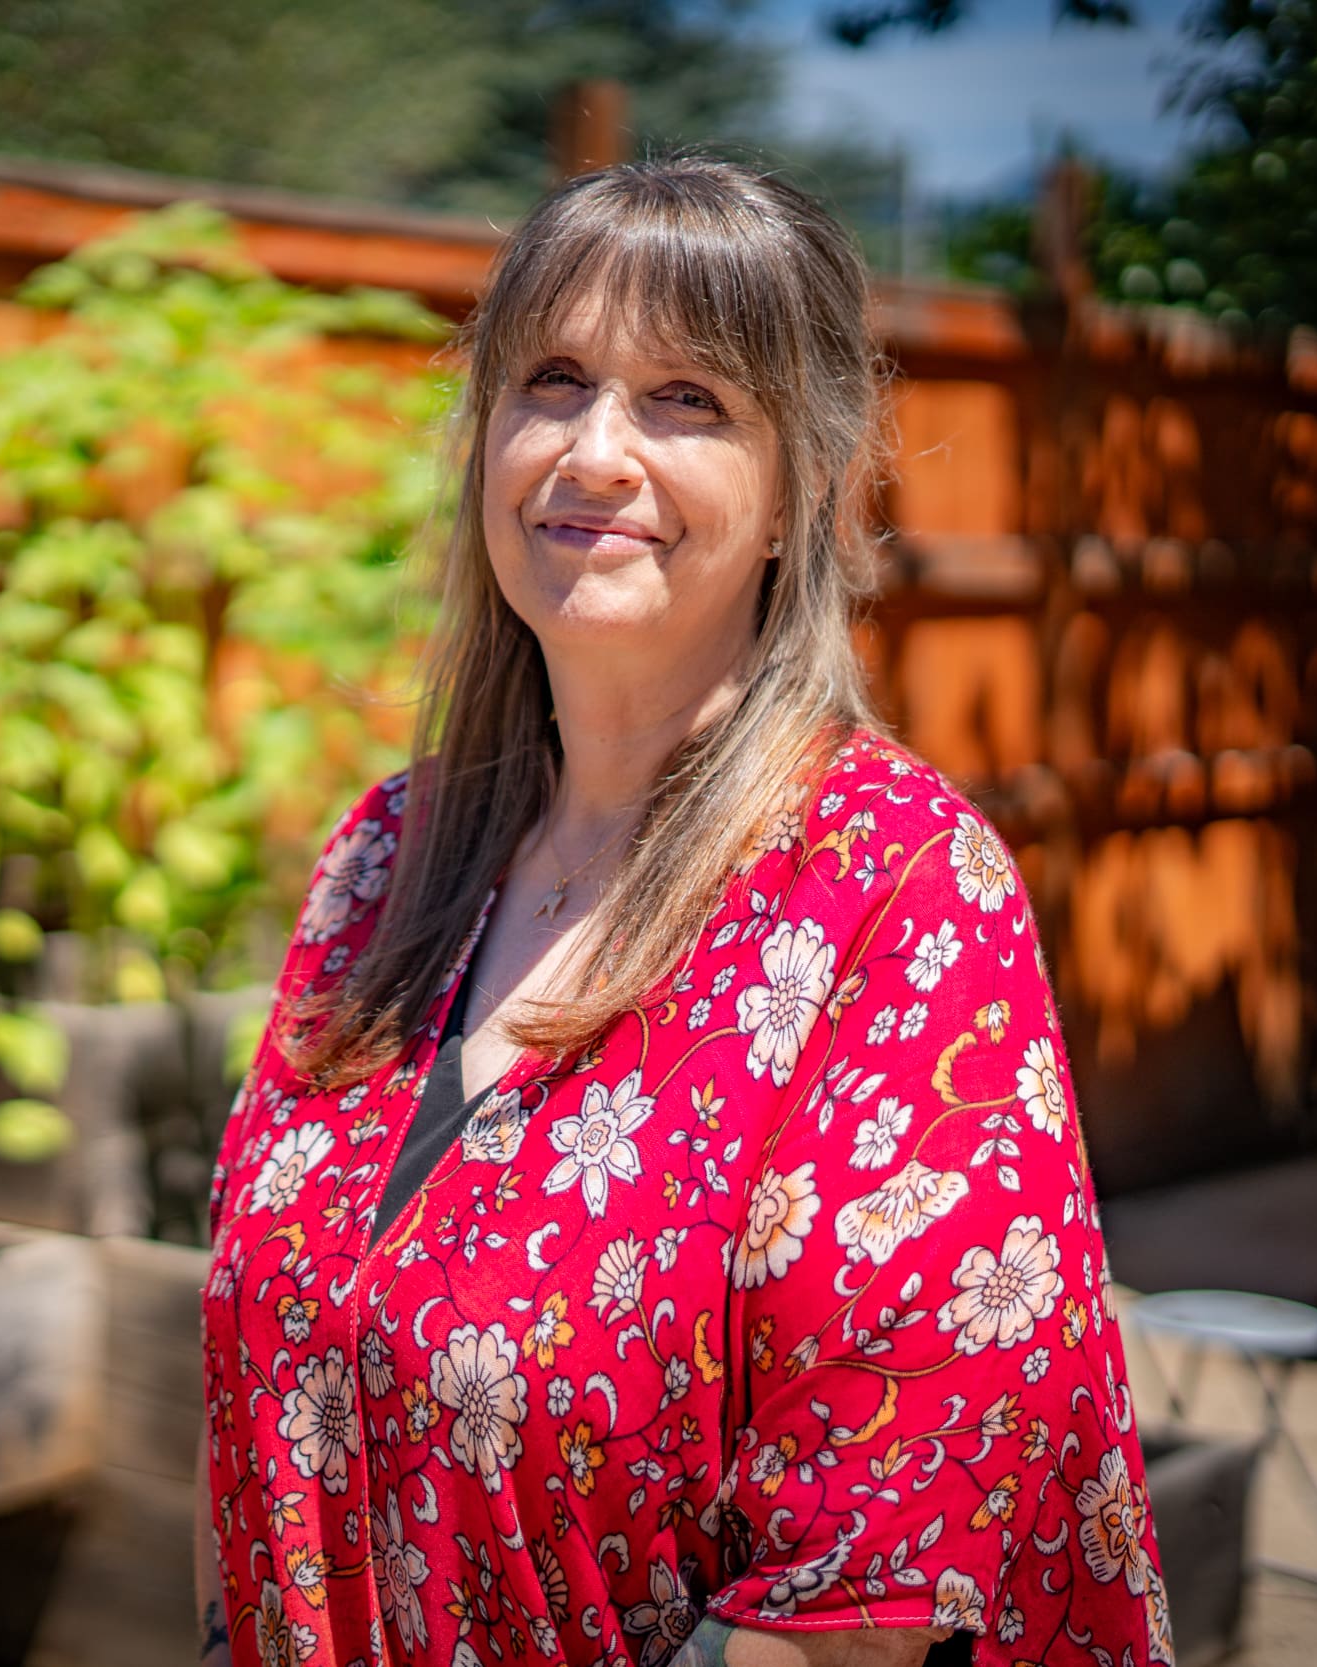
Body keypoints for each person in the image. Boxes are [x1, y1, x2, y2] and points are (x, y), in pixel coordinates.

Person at [196, 156, 1169, 1667]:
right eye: (555, 381)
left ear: (801, 492)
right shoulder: (389, 853)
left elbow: (863, 1600)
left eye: (687, 401)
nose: (594, 452)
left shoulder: (897, 893)